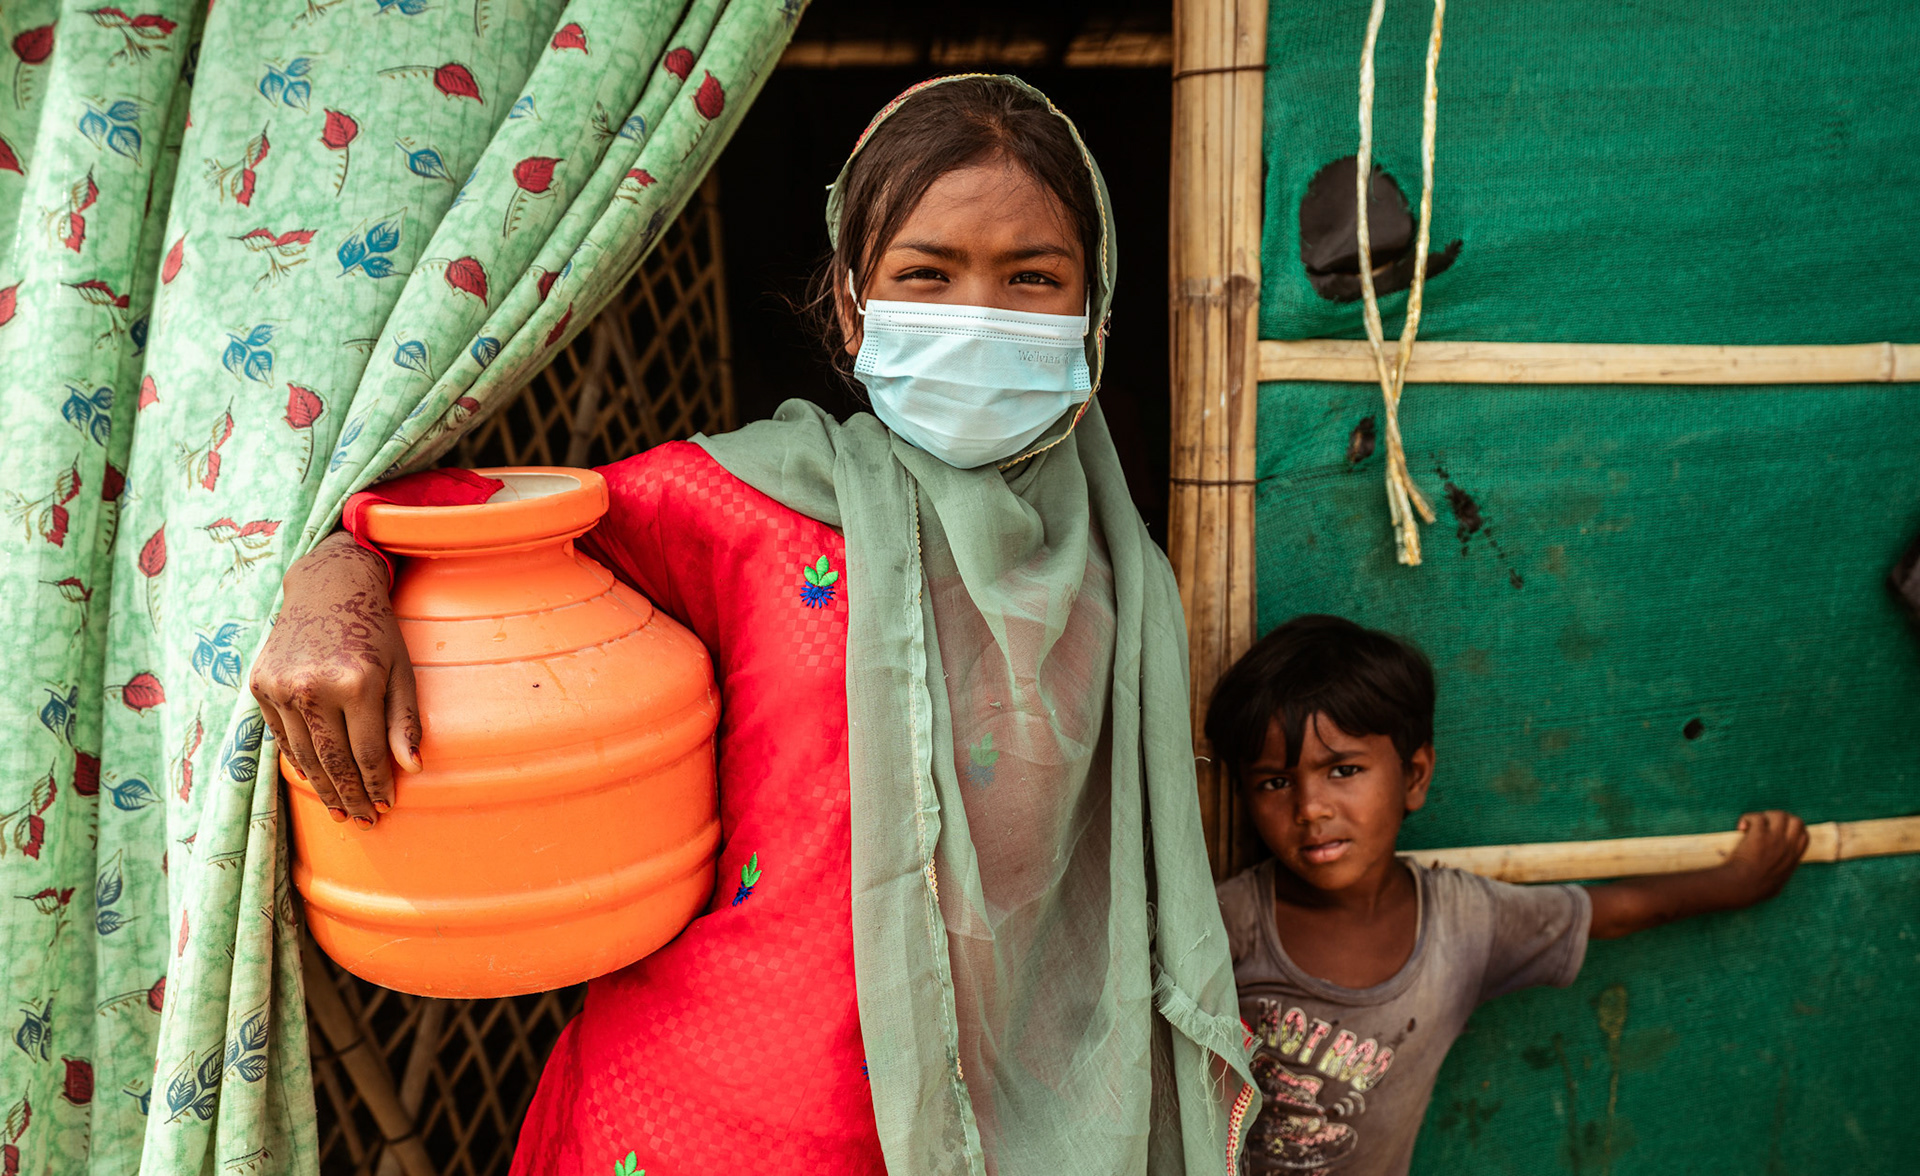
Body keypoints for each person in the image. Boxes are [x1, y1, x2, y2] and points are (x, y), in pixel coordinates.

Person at [251, 76, 1256, 1176]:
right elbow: (474, 522)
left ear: (1093, 311)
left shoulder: (1125, 570)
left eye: (1032, 277)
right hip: (716, 1122)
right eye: (927, 274)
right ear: (853, 308)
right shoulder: (747, 504)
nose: (978, 313)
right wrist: (334, 576)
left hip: (1026, 1133)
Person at [1205, 614, 1807, 1176]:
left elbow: (1613, 913)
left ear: (1414, 776)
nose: (1310, 808)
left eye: (1342, 770)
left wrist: (1737, 881)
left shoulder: (1464, 922)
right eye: (1275, 782)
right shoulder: (1227, 923)